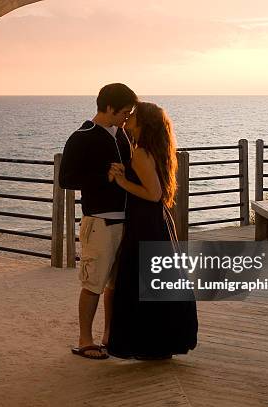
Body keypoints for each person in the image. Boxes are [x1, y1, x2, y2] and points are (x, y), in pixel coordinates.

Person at [107, 102, 198, 359]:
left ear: (143, 122)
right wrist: (129, 172)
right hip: (155, 221)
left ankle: (148, 343)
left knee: (140, 279)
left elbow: (154, 194)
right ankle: (158, 342)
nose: (129, 118)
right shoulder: (149, 151)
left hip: (145, 222)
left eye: (133, 115)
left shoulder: (141, 152)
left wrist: (123, 181)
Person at [59, 83, 138, 359]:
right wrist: (102, 177)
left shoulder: (122, 135)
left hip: (125, 221)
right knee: (93, 282)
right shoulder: (82, 137)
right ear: (108, 108)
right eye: (124, 112)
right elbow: (65, 180)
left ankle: (109, 335)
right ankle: (85, 340)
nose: (127, 117)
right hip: (99, 221)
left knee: (115, 284)